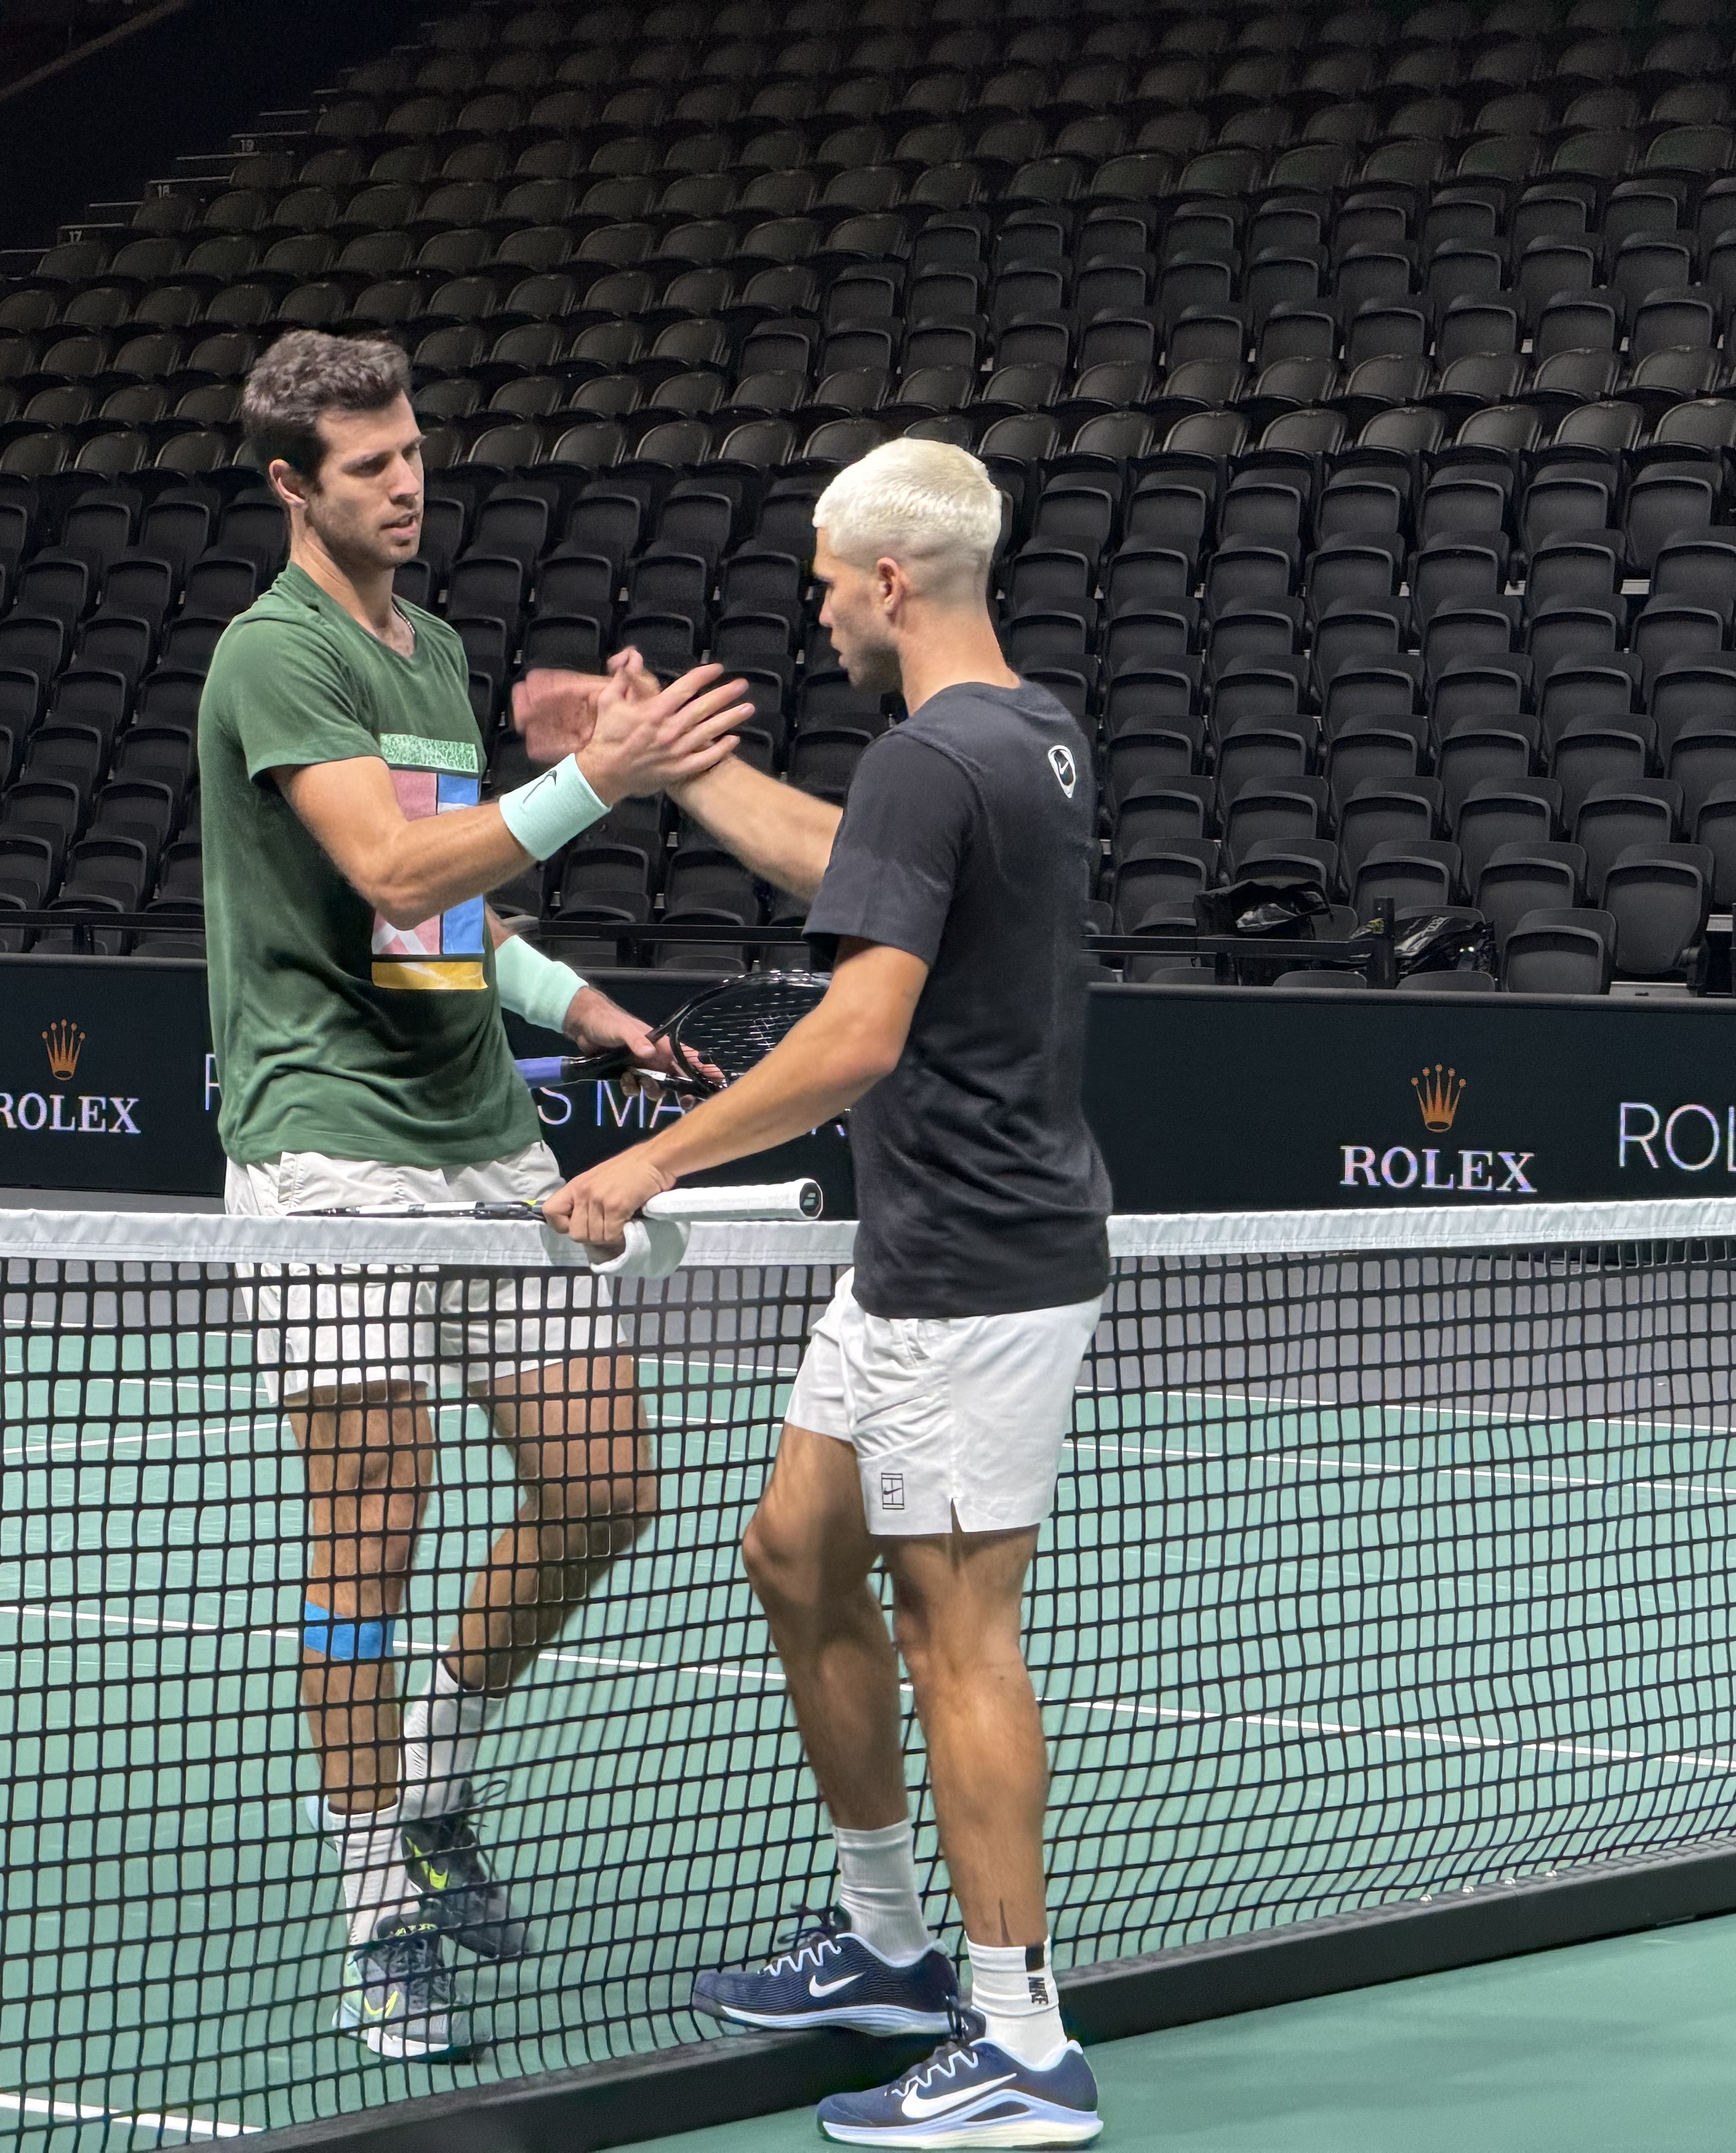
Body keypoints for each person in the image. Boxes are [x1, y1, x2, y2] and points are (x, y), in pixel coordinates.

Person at [545, 438, 1113, 2147]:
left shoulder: (937, 758)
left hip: (970, 1273)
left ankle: (1021, 2040)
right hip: (920, 1258)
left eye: (819, 578)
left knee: (961, 1635)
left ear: (888, 583)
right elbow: (850, 853)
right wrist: (668, 771)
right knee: (794, 1548)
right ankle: (885, 1943)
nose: (808, 605)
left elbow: (857, 1034)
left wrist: (645, 1166)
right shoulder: (1022, 732)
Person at [197, 330, 753, 2061]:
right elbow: (387, 860)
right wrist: (606, 774)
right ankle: (376, 1900)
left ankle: (431, 1774)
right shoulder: (273, 655)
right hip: (328, 1147)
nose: (408, 481)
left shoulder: (430, 650)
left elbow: (445, 919)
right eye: (369, 465)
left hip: (475, 1123)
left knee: (605, 1481)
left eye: (414, 451)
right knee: (376, 1511)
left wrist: (589, 1015)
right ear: (295, 485)